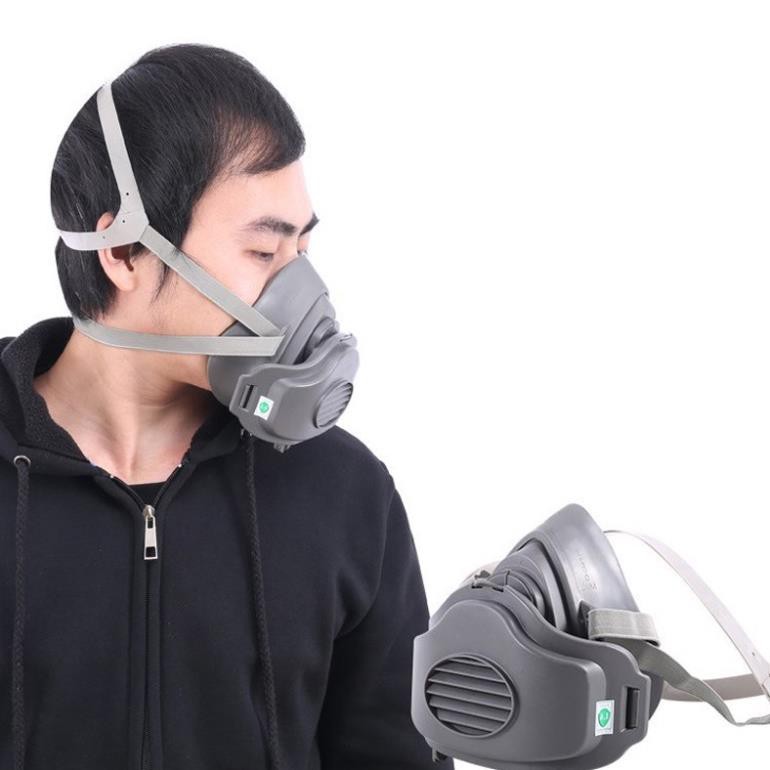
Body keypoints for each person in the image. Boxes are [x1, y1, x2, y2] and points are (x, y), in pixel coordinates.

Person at [0, 43, 452, 770]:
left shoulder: (345, 494)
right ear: (123, 252)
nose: (302, 296)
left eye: (301, 252)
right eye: (263, 253)